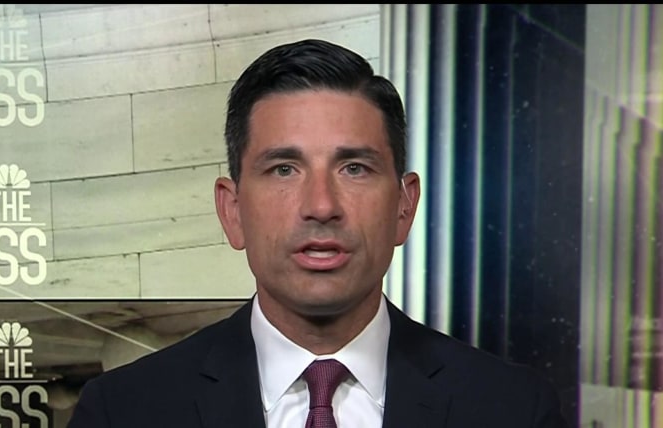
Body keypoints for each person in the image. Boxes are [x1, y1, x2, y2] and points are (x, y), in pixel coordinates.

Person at [67, 38, 568, 428]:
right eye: (284, 169)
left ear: (404, 205)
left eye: (354, 168)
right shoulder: (123, 412)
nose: (322, 206)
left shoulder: (514, 410)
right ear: (233, 211)